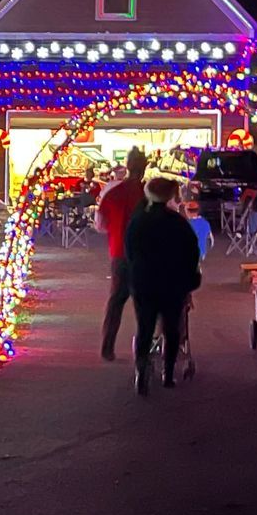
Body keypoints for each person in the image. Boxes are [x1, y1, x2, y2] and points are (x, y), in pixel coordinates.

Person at [124, 174, 203, 394]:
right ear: (170, 195)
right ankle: (167, 374)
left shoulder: (138, 221)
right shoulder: (178, 223)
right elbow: (191, 253)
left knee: (145, 327)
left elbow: (129, 251)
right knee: (171, 328)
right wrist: (190, 278)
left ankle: (141, 371)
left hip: (144, 281)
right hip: (173, 282)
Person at [97, 147, 148, 360]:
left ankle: (107, 348)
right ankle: (143, 353)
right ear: (144, 169)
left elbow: (100, 224)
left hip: (119, 254)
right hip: (145, 258)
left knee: (116, 302)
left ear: (126, 167)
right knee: (145, 305)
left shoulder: (113, 193)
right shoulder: (149, 194)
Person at [181, 185, 214, 260]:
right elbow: (211, 242)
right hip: (202, 253)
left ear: (187, 212)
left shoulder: (187, 224)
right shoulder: (205, 223)